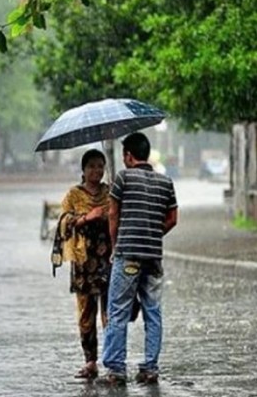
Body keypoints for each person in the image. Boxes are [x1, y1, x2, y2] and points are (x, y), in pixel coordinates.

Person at [97, 132, 178, 386]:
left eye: (124, 156)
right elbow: (173, 218)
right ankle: (150, 368)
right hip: (153, 258)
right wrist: (154, 233)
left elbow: (113, 216)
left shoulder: (123, 178)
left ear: (129, 156)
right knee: (153, 312)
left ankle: (116, 370)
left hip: (128, 255)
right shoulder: (166, 182)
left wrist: (115, 246)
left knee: (118, 311)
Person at [52, 149, 112, 379]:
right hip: (83, 262)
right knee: (86, 312)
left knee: (110, 313)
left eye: (100, 166)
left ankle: (112, 358)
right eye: (92, 166)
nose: (96, 171)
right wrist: (88, 217)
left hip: (108, 260)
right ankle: (90, 362)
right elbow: (63, 223)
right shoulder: (74, 195)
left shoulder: (110, 192)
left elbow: (119, 217)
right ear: (83, 170)